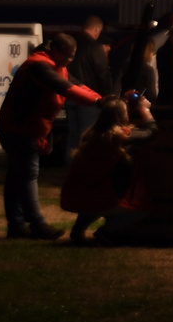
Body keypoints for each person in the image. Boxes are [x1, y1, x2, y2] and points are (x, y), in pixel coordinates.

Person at [0, 33, 103, 239]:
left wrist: (100, 98)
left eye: (73, 57)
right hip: (19, 130)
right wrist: (98, 103)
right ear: (56, 51)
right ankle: (37, 224)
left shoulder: (57, 66)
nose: (70, 61)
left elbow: (77, 84)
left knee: (17, 178)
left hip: (24, 129)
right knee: (27, 175)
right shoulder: (39, 66)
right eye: (68, 56)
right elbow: (66, 88)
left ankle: (17, 226)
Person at [60, 97, 155, 246]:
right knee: (142, 210)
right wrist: (144, 109)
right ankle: (107, 231)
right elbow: (151, 131)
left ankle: (78, 229)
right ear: (123, 116)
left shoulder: (90, 136)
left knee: (92, 199)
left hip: (76, 198)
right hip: (105, 199)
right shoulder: (118, 136)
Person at [65, 15, 113, 156]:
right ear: (97, 29)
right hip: (89, 99)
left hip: (70, 95)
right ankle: (85, 168)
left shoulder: (71, 44)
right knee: (88, 136)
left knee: (72, 136)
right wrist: (107, 95)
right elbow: (102, 73)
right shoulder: (95, 47)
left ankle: (71, 168)